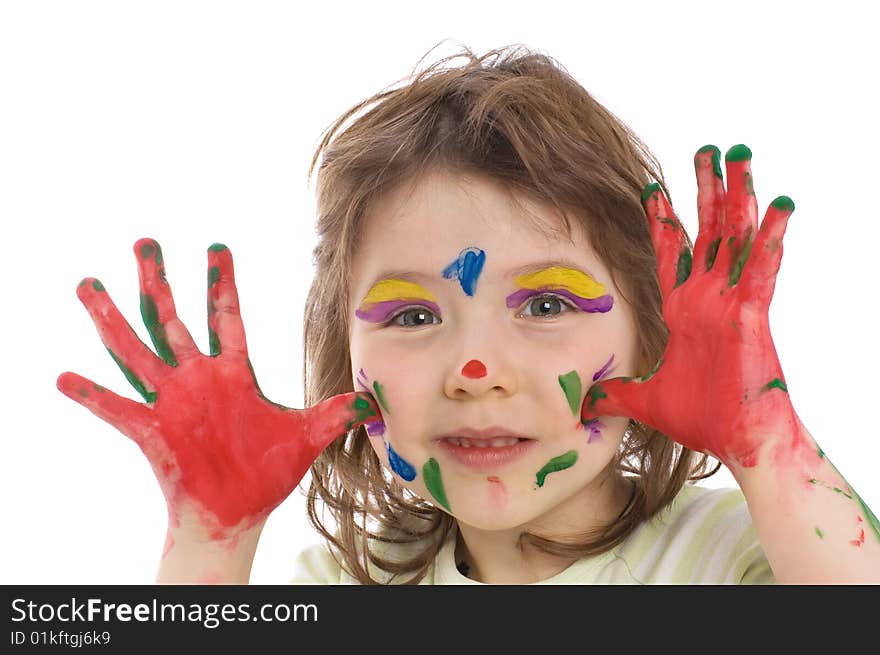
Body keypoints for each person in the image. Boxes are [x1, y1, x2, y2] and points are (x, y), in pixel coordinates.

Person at [57, 44, 880, 585]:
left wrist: (771, 450)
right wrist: (211, 539)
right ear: (345, 354)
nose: (474, 373)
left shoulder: (733, 554)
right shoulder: (343, 585)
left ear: (654, 336)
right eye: (413, 316)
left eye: (549, 303)